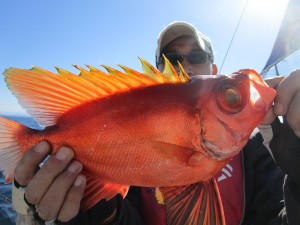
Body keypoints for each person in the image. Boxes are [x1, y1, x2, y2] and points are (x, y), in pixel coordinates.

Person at [10, 21, 300, 225]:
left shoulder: (265, 151)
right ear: (158, 69)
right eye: (171, 58)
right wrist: (96, 213)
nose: (185, 66)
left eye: (196, 56)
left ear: (213, 69)